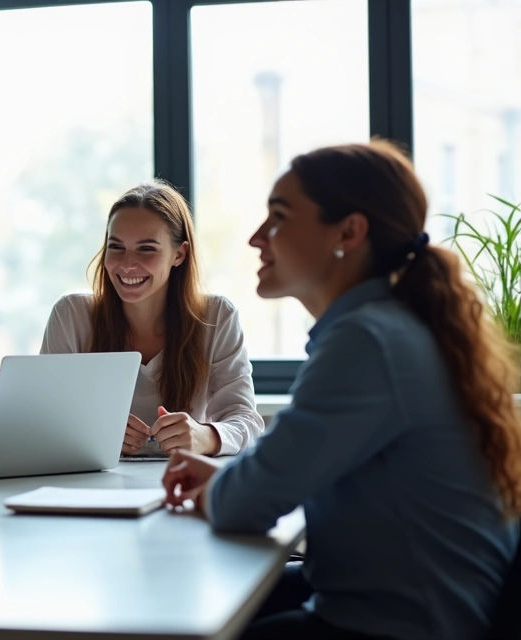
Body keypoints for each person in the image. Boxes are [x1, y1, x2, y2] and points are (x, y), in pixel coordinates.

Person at [162, 141, 521, 640]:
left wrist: (226, 488)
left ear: (349, 232)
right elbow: (283, 465)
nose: (255, 238)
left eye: (279, 218)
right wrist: (231, 481)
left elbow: (246, 504)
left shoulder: (367, 341)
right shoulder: (393, 327)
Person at [41, 181, 263, 457]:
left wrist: (205, 436)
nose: (127, 264)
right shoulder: (71, 316)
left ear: (179, 254)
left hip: (183, 480)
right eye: (116, 247)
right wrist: (93, 433)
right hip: (94, 483)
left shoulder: (217, 317)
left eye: (146, 249)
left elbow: (246, 421)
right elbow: (44, 420)